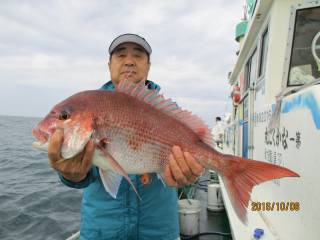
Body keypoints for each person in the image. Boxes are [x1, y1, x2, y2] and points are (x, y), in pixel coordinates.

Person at [48, 33, 204, 240]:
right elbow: (85, 174)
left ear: (148, 66)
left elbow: (192, 163)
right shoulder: (90, 107)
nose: (129, 61)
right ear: (109, 65)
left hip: (158, 232)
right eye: (121, 55)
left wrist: (190, 175)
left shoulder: (169, 113)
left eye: (138, 55)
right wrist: (71, 174)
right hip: (102, 232)